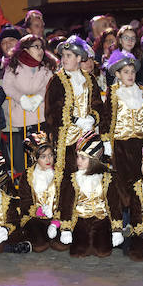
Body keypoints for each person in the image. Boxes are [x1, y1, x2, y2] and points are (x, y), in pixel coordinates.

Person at [44, 36, 103, 181]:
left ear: (78, 58)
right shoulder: (57, 80)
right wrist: (76, 121)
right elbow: (53, 109)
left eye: (68, 56)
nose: (64, 59)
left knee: (88, 174)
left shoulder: (89, 79)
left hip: (88, 133)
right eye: (63, 56)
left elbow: (97, 103)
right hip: (67, 137)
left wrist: (92, 118)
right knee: (68, 175)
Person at [56, 132, 124, 258]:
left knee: (103, 252)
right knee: (78, 252)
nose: (78, 161)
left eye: (83, 158)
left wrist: (117, 230)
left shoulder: (107, 178)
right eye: (77, 157)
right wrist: (66, 229)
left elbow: (115, 204)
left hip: (101, 219)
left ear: (94, 159)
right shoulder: (73, 179)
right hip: (80, 219)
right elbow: (66, 204)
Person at [100, 50, 143, 208]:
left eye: (132, 72)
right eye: (126, 72)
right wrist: (106, 142)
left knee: (139, 178)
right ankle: (123, 217)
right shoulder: (114, 92)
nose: (130, 75)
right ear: (118, 73)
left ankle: (138, 213)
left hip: (139, 142)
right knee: (121, 180)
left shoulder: (141, 91)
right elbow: (106, 117)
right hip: (120, 144)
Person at [2, 35, 56, 173]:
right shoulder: (13, 67)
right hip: (22, 118)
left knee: (44, 152)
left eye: (41, 47)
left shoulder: (46, 67)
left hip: (42, 116)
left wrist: (39, 96)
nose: (40, 50)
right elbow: (7, 86)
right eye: (36, 46)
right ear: (25, 49)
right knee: (27, 155)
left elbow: (49, 85)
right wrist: (21, 98)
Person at [17, 132, 63, 253]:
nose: (48, 160)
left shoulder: (60, 174)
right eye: (43, 157)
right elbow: (24, 201)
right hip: (34, 219)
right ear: (35, 158)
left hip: (57, 218)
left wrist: (56, 220)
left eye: (50, 155)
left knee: (61, 245)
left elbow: (66, 199)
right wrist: (38, 211)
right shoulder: (27, 175)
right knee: (39, 246)